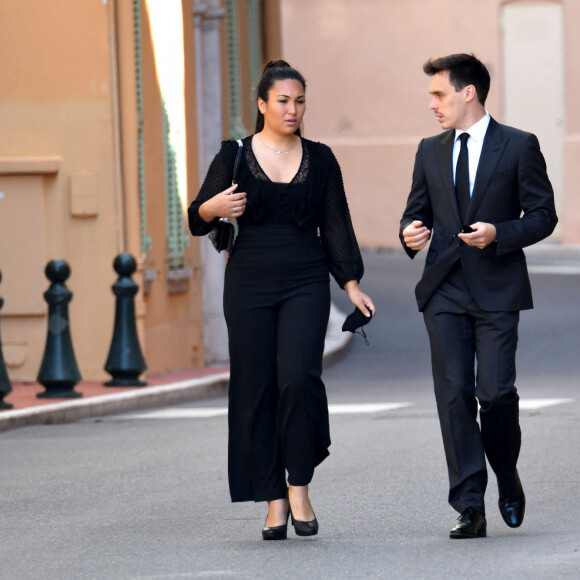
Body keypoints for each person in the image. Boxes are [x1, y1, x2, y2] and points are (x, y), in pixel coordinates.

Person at [188, 60, 375, 541]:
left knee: (297, 378)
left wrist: (351, 284)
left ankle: (299, 485)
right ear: (262, 104)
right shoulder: (233, 155)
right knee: (256, 388)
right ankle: (273, 499)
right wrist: (217, 207)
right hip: (248, 278)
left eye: (300, 101)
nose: (293, 110)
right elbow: (197, 217)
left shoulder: (321, 157)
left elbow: (336, 226)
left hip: (305, 278)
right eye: (284, 101)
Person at [400, 53, 557, 539]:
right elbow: (414, 213)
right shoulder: (429, 150)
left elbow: (544, 215)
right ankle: (470, 505)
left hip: (497, 288)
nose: (432, 105)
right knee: (454, 397)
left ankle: (506, 473)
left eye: (439, 94)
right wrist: (410, 233)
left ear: (468, 92)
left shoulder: (518, 146)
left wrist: (499, 233)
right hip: (443, 288)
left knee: (495, 394)